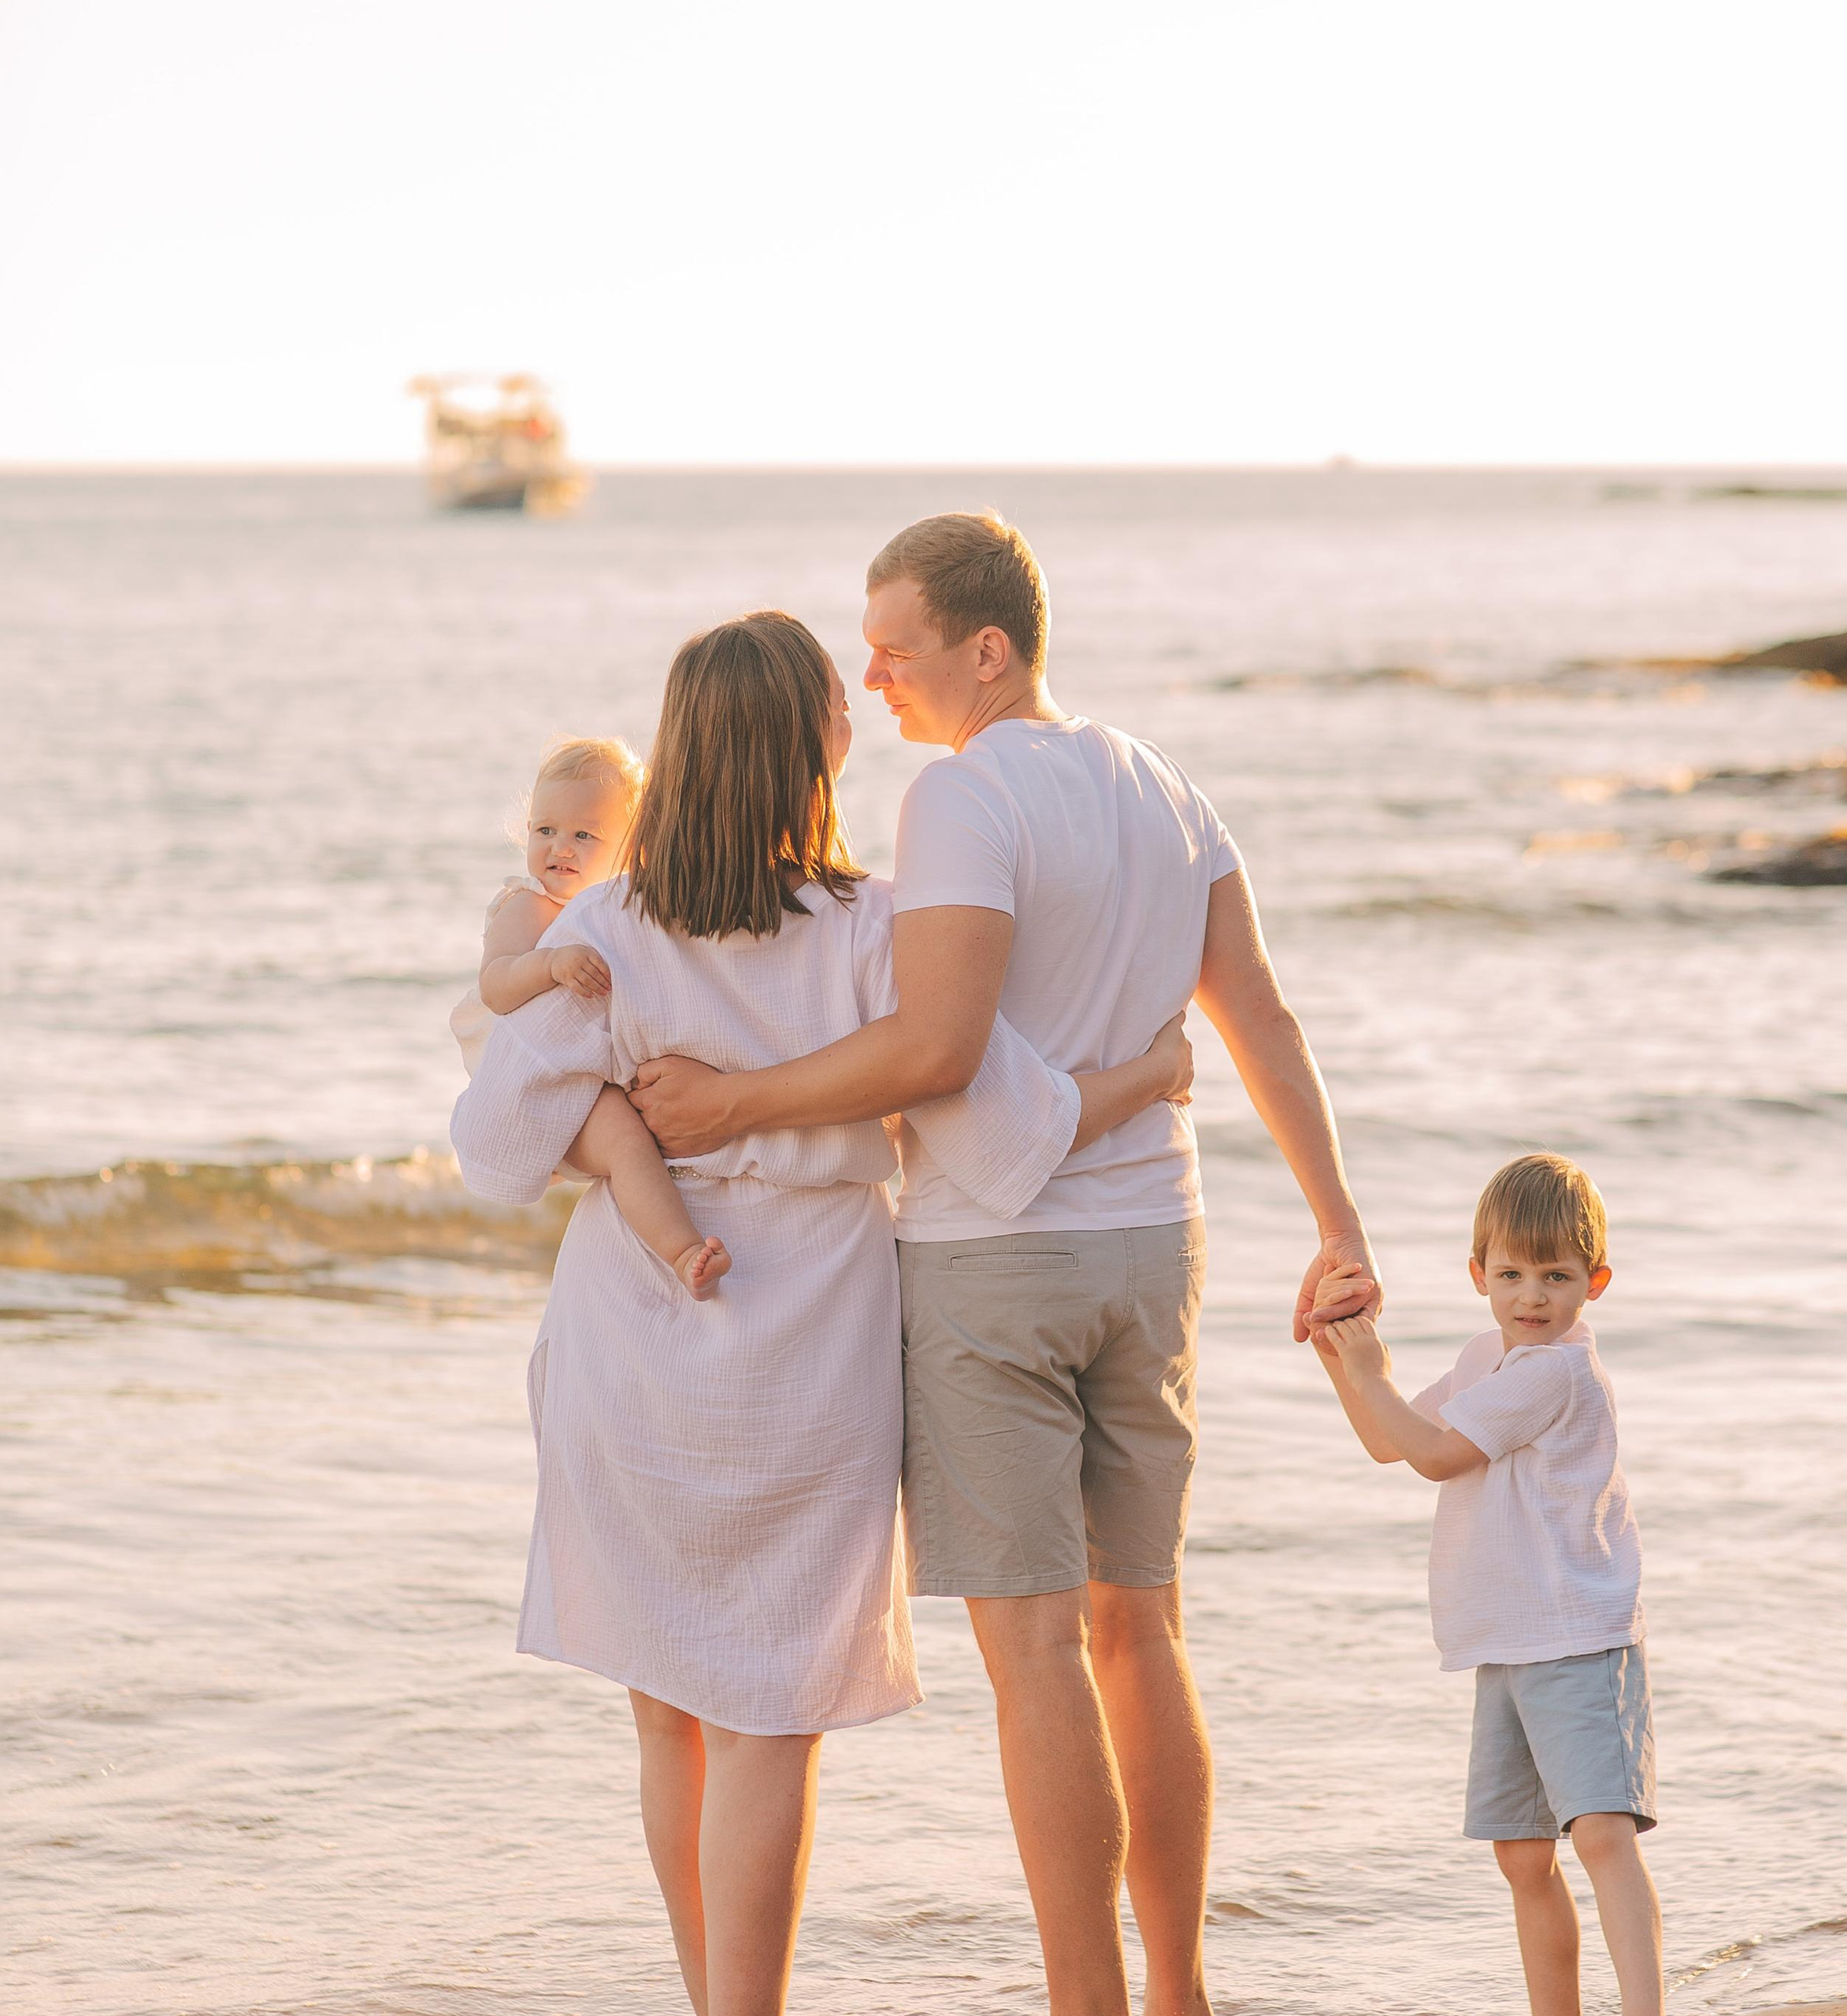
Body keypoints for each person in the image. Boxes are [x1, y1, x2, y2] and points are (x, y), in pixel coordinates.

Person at [629, 514, 1381, 2016]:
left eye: (895, 649)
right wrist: (1339, 1228)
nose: (874, 676)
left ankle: (1087, 2004)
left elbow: (937, 1050)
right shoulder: (1167, 785)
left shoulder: (967, 799)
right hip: (1154, 1243)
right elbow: (1264, 1025)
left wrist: (731, 1103)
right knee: (1142, 1627)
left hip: (998, 1262)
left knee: (1038, 1651)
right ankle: (1178, 1992)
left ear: (988, 648)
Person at [451, 612, 1190, 2016]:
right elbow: (997, 1125)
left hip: (630, 1331)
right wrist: (1146, 1076)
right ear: (823, 749)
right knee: (767, 1718)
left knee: (666, 1706)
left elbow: (494, 1144)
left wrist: (599, 1095)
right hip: (811, 1335)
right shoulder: (875, 925)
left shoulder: (610, 921)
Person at [1310, 1153, 1663, 2016]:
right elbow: (1388, 1439)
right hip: (1506, 1640)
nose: (1530, 1296)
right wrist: (1340, 1350)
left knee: (1601, 1835)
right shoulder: (1486, 1357)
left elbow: (1433, 1456)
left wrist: (1368, 1370)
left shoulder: (1554, 1371)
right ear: (1477, 1275)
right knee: (1519, 1853)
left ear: (1595, 1282)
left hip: (1575, 1634)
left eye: (1555, 1275)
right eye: (1509, 1274)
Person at [449, 736, 732, 1298]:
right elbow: (496, 985)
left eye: (584, 834)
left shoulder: (614, 907)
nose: (560, 847)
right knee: (627, 1145)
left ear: (630, 847)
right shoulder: (528, 904)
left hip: (586, 1072)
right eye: (545, 829)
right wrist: (549, 964)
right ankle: (681, 1252)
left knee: (643, 1136)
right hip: (535, 1081)